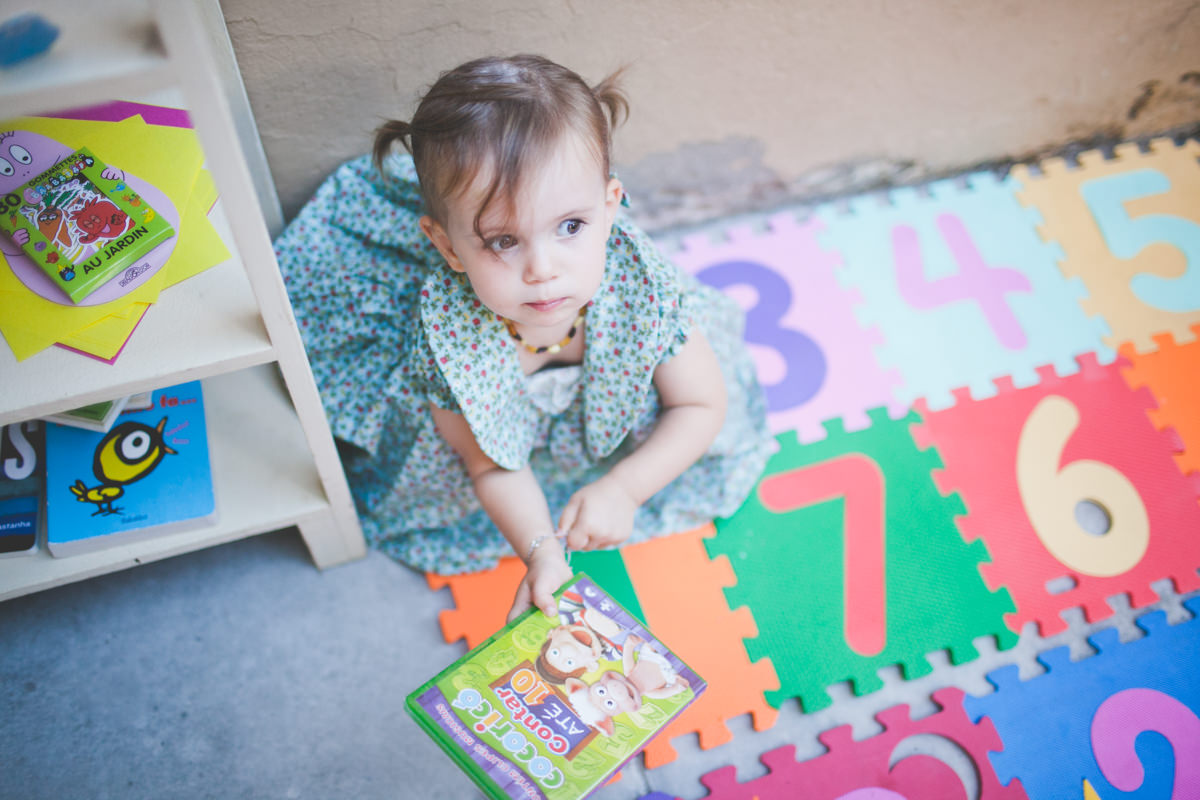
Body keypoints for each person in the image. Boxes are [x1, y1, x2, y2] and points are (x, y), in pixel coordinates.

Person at [274, 54, 774, 621]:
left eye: (570, 227)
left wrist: (627, 489)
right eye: (503, 241)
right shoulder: (448, 342)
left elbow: (701, 403)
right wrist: (541, 550)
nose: (543, 269)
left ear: (609, 209)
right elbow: (489, 465)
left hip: (623, 412)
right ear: (447, 247)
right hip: (488, 430)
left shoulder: (642, 292)